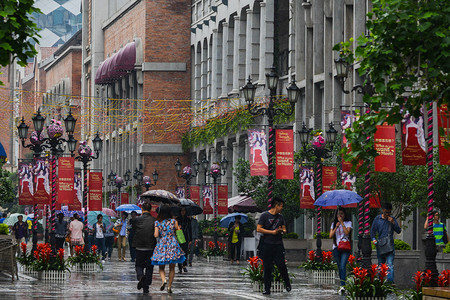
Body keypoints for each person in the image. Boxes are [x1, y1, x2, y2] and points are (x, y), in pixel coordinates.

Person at [257, 197, 291, 295]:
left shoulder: (281, 217)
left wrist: (281, 231)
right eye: (281, 206)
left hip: (278, 245)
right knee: (267, 267)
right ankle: (267, 288)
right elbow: (259, 229)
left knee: (281, 265)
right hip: (267, 245)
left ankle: (287, 283)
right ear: (276, 205)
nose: (282, 208)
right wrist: (272, 232)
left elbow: (284, 230)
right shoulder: (264, 216)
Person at [151, 205, 186, 294]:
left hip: (162, 244)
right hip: (173, 244)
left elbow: (156, 235)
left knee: (161, 267)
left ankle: (163, 280)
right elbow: (178, 232)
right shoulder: (174, 221)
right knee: (172, 267)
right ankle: (169, 286)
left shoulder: (157, 222)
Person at [371, 202, 401, 283]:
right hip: (380, 245)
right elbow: (372, 231)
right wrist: (374, 239)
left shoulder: (392, 219)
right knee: (380, 265)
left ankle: (390, 283)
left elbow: (398, 230)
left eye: (389, 212)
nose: (388, 214)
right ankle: (381, 282)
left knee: (390, 265)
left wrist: (393, 223)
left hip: (390, 245)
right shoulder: (377, 219)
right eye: (386, 212)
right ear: (383, 210)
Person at [133, 202, 157, 295]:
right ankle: (146, 286)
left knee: (139, 265)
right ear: (150, 209)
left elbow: (134, 228)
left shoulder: (137, 219)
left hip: (139, 246)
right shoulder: (154, 220)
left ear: (142, 209)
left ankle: (140, 277)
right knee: (149, 266)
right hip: (150, 246)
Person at [329, 207, 352, 292]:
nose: (340, 215)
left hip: (345, 247)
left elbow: (347, 233)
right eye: (339, 214)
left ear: (344, 215)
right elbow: (330, 236)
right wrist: (336, 227)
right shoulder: (333, 224)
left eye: (342, 214)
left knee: (343, 265)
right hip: (336, 247)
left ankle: (343, 285)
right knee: (339, 266)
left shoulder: (348, 223)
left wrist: (342, 223)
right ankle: (342, 283)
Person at [176, 207, 191, 273]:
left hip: (185, 237)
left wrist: (190, 239)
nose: (183, 212)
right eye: (181, 210)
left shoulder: (188, 220)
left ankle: (184, 265)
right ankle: (179, 266)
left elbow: (190, 229)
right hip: (178, 237)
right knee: (179, 252)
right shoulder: (177, 219)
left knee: (185, 252)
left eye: (184, 210)